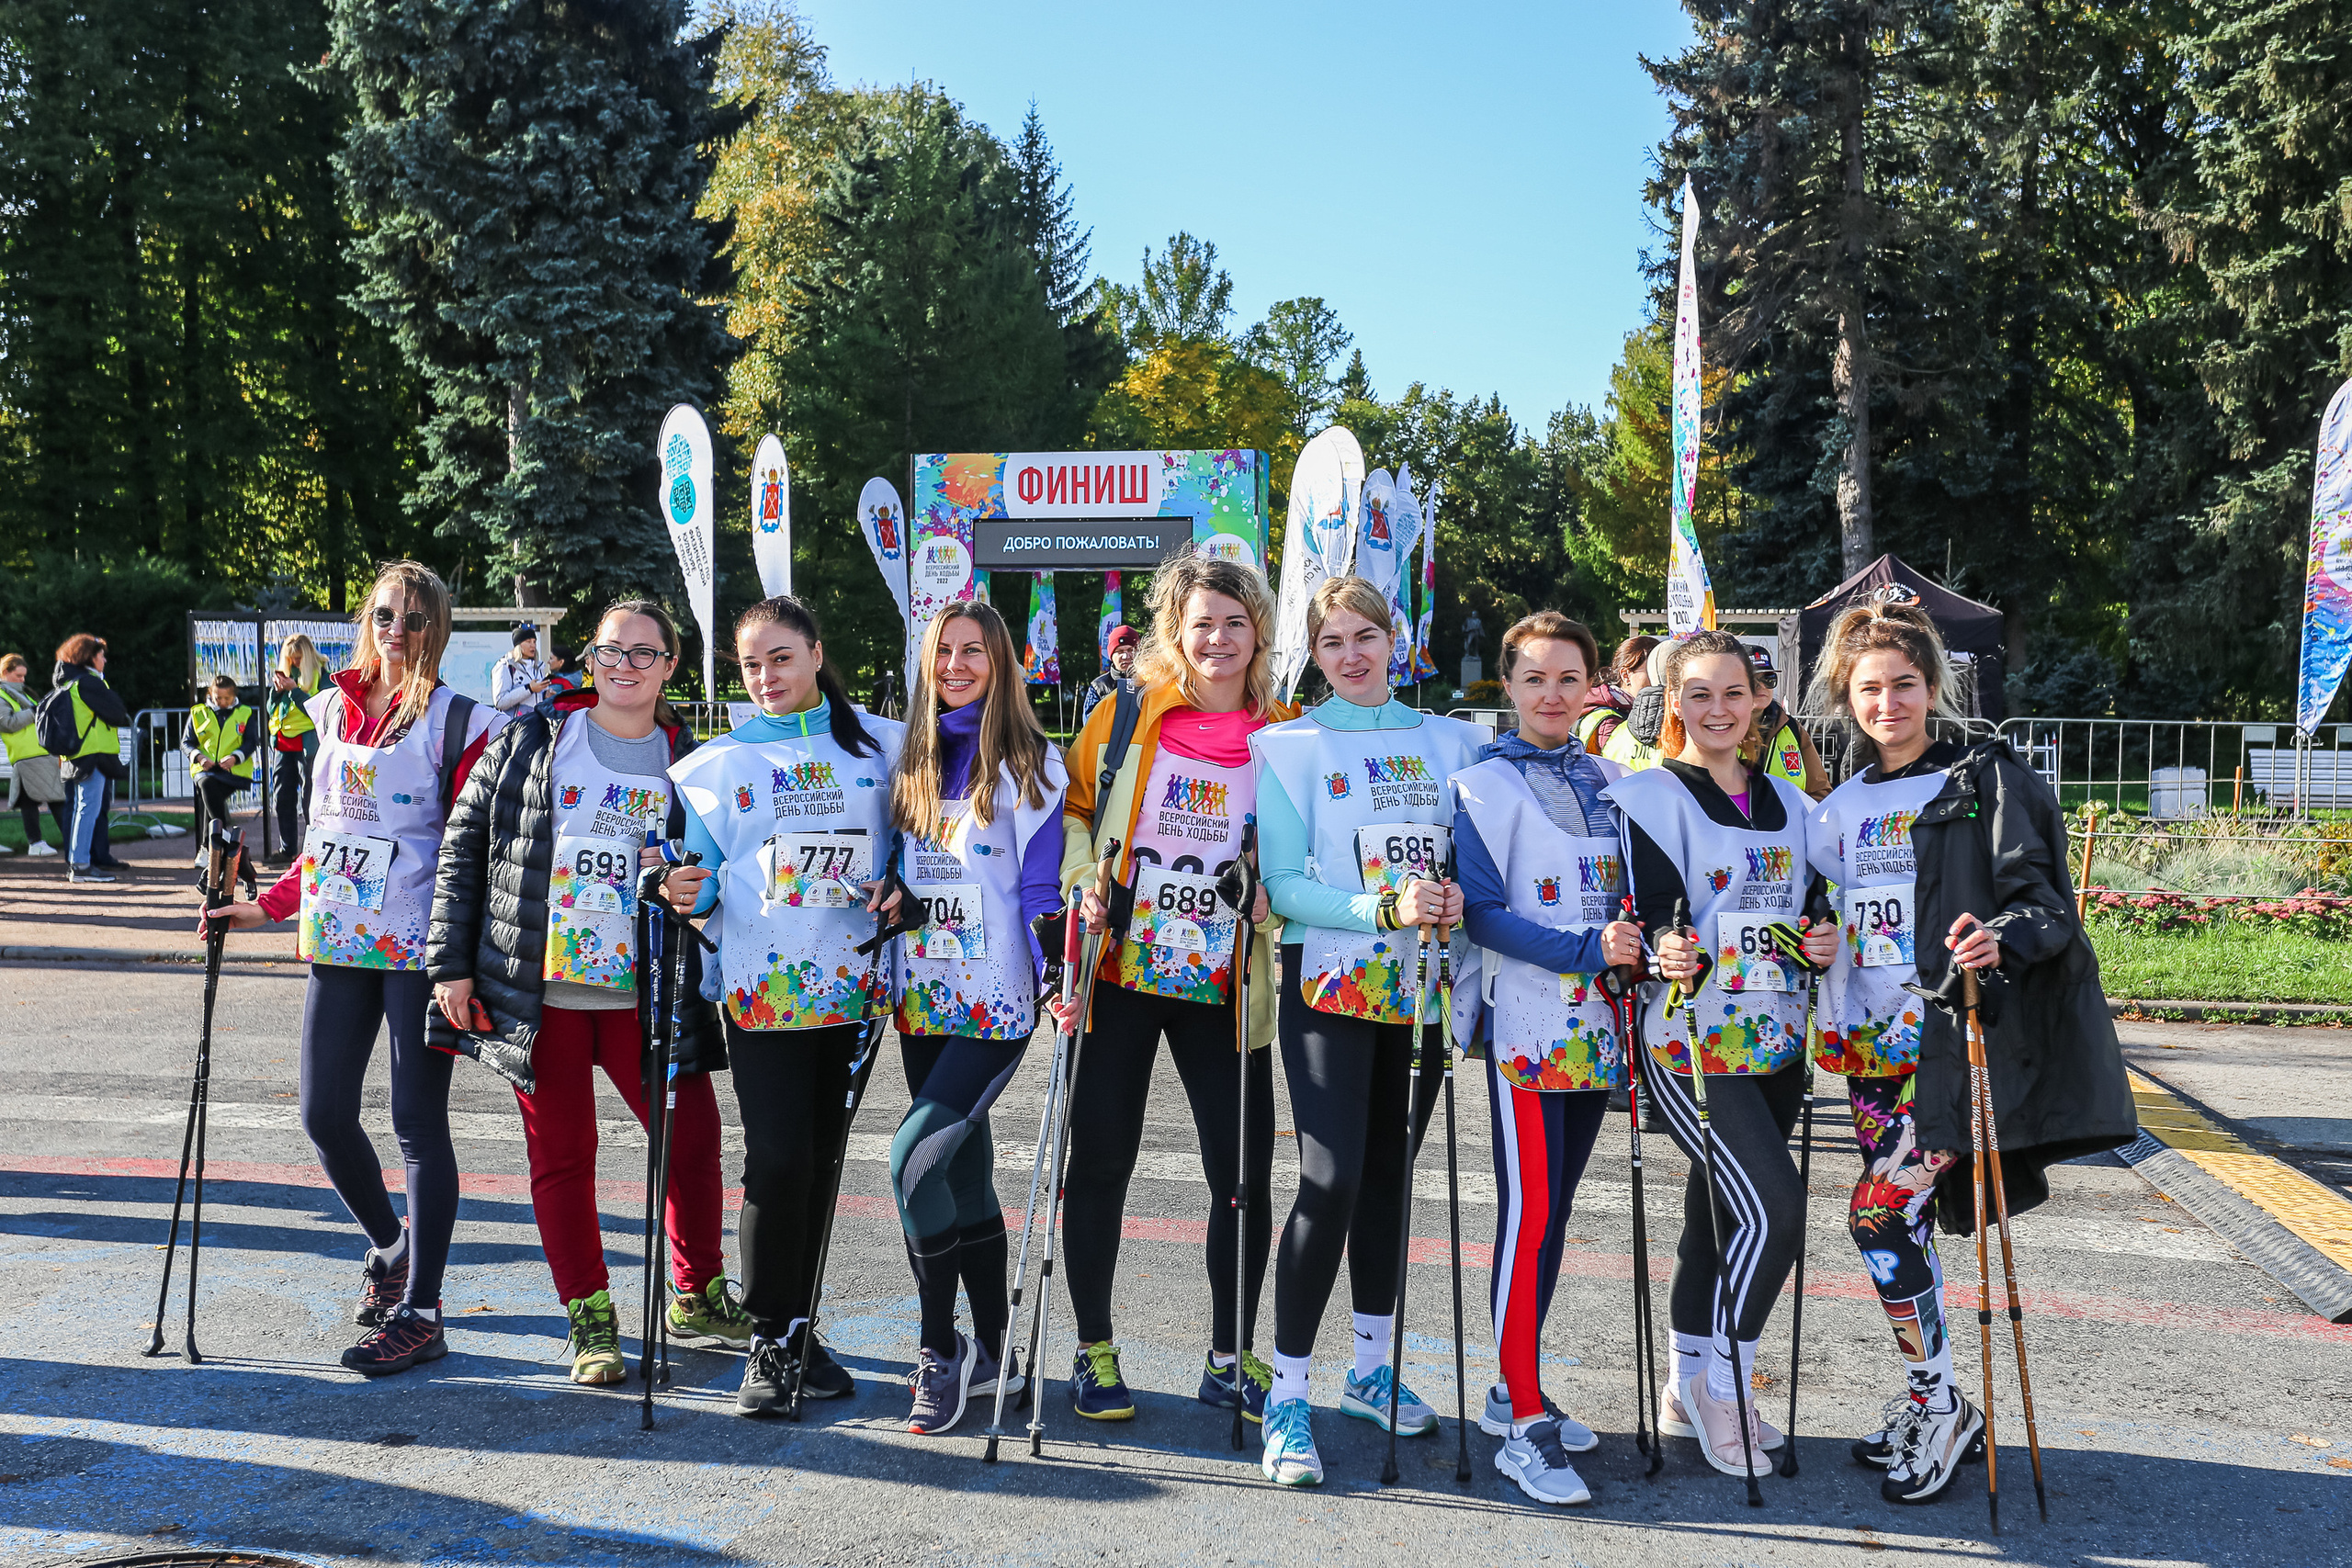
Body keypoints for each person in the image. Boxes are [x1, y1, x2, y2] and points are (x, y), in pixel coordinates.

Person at [1806, 602, 2133, 1502]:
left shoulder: (1982, 780)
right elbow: (1821, 915)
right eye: (1868, 689)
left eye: (1903, 686)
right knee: (1899, 1226)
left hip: (1954, 1052)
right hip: (1870, 1057)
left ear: (1932, 689)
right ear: (1846, 696)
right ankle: (1932, 1395)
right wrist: (1816, 939)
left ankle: (1940, 1403)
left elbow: (2046, 907)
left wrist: (1998, 937)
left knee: (1877, 1216)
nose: (1887, 703)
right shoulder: (1835, 810)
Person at [428, 598, 751, 1388]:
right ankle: (590, 1316)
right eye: (612, 651)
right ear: (590, 656)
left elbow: (726, 870)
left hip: (649, 992)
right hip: (546, 994)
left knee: (694, 1140)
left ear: (670, 665)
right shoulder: (536, 738)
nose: (625, 667)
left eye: (645, 654)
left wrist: (694, 888)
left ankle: (695, 1290)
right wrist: (449, 964)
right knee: (563, 1157)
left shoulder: (695, 759)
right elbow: (464, 843)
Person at [202, 561, 506, 1377]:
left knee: (416, 1122)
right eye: (382, 614)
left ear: (435, 629)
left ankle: (424, 1311)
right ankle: (391, 1246)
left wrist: (463, 957)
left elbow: (476, 851)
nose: (394, 631)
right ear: (363, 620)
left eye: (411, 619)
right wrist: (264, 909)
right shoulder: (328, 709)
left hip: (419, 950)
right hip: (339, 939)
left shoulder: (462, 721)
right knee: (323, 1114)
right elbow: (321, 837)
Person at [1250, 574, 1486, 1488]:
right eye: (1332, 642)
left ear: (1396, 640)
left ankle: (1371, 1369)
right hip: (1331, 983)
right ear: (1313, 655)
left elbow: (1470, 860)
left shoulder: (1453, 740)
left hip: (1419, 991)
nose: (1351, 655)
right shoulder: (1287, 745)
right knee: (1330, 1175)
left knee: (1388, 1178)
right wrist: (1379, 904)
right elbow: (1283, 888)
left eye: (1366, 637)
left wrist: (1460, 896)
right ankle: (1289, 1393)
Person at [1054, 555, 1284, 1427]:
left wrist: (1278, 891)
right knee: (1102, 1160)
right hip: (1122, 971)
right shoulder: (1123, 716)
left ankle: (1229, 1354)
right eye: (1200, 623)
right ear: (1172, 631)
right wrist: (1084, 877)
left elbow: (1304, 848)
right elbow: (1076, 812)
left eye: (1233, 621)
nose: (1217, 639)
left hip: (1227, 980)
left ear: (1257, 629)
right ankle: (1094, 1346)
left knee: (1243, 1173)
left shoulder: (1282, 728)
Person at [1601, 626, 1837, 1480]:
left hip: (1775, 1043)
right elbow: (1656, 907)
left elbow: (1817, 909)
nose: (1717, 709)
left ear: (1759, 699)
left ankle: (1685, 1379)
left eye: (1732, 692)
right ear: (1672, 702)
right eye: (1697, 693)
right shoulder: (1653, 795)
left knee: (1717, 1216)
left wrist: (1822, 936)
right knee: (1776, 1210)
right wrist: (1667, 942)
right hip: (1690, 1043)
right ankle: (1725, 1380)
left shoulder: (1796, 805)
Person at [666, 593, 905, 1416]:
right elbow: (690, 884)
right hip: (763, 989)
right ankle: (768, 1338)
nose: (766, 676)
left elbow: (914, 850)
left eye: (781, 658)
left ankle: (799, 1329)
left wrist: (900, 886)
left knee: (822, 1160)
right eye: (751, 663)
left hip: (855, 985)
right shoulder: (718, 762)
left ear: (815, 653)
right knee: (776, 1159)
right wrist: (678, 890)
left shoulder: (882, 744)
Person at [1450, 611, 1645, 1506]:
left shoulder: (1612, 777)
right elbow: (1482, 912)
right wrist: (1586, 951)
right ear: (1509, 686)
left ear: (1593, 683)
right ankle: (1523, 1422)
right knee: (1528, 1216)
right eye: (1533, 679)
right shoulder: (1480, 785)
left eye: (1568, 678)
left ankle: (1507, 1386)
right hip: (1527, 1023)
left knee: (1557, 1211)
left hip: (1597, 1025)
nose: (1552, 694)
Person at [887, 601, 1066, 1436]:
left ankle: (939, 1347)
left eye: (973, 652)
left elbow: (1037, 889)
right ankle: (997, 1351)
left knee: (911, 1158)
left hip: (995, 1003)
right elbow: (899, 873)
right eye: (944, 651)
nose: (956, 664)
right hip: (922, 995)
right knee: (962, 1173)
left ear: (1001, 663)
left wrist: (1057, 966)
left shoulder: (1031, 762)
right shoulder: (911, 759)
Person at [51, 634, 132, 884]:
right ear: (89, 657)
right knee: (89, 809)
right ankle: (81, 866)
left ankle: (79, 862)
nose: (105, 660)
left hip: (76, 754)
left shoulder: (69, 681)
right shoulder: (89, 683)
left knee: (79, 809)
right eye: (101, 656)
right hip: (92, 754)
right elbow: (117, 712)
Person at [185, 674, 261, 867]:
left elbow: (251, 741)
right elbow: (186, 743)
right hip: (204, 770)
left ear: (234, 695)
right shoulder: (198, 712)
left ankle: (208, 847)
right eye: (218, 698)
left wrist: (235, 757)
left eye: (227, 698)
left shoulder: (245, 712)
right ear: (210, 694)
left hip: (233, 772)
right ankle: (221, 840)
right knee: (207, 785)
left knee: (210, 798)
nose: (223, 702)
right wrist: (199, 757)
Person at [1, 653, 70, 857]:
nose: (22, 680)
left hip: (38, 753)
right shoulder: (4, 696)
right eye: (18, 676)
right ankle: (53, 842)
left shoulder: (21, 694)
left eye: (24, 676)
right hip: (28, 754)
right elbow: (7, 723)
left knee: (35, 799)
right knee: (53, 799)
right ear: (5, 673)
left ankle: (41, 842)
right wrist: (34, 711)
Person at [266, 635, 328, 865]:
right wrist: (277, 691)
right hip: (283, 743)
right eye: (291, 659)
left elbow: (318, 710)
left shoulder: (323, 677)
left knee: (309, 799)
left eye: (299, 659)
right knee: (283, 798)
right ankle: (287, 849)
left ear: (309, 655)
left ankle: (313, 851)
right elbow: (270, 708)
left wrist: (293, 691)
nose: (294, 663)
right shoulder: (286, 674)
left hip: (309, 743)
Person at [1747, 645, 1830, 799]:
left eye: (1768, 679)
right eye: (1753, 681)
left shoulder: (1791, 727)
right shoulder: (1723, 729)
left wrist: (1799, 818)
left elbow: (1820, 791)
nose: (1762, 686)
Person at [1575, 633, 1657, 757]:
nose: (1658, 678)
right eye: (1651, 671)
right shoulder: (1608, 720)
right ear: (1625, 675)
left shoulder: (1618, 707)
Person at [1083, 623, 1140, 720]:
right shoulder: (1099, 687)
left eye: (1131, 650)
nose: (1126, 656)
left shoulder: (1148, 684)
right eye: (1120, 651)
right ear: (1111, 656)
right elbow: (1090, 725)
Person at [492, 625, 551, 714]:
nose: (533, 645)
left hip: (536, 722)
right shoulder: (505, 665)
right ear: (518, 645)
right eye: (528, 642)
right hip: (515, 724)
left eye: (534, 641)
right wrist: (529, 689)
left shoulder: (538, 667)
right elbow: (500, 702)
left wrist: (546, 695)